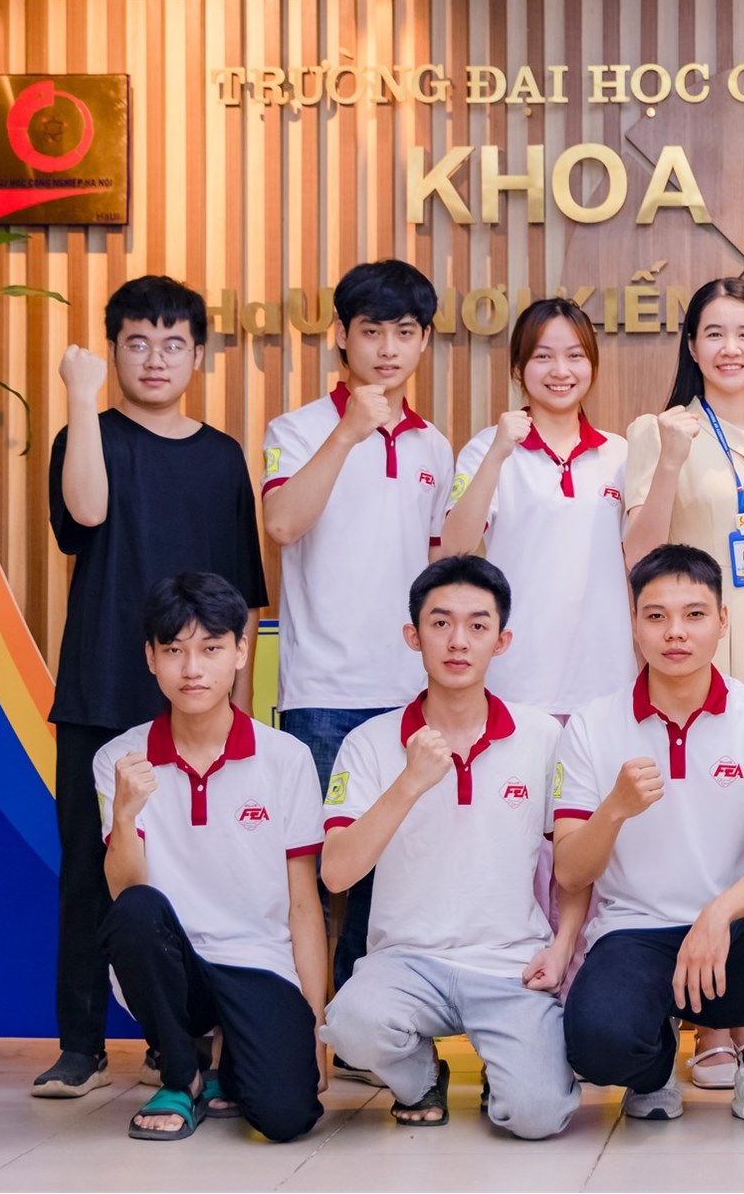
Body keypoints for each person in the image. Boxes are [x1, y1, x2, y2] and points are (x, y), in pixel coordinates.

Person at [34, 276, 269, 1099]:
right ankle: (81, 1043)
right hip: (101, 689)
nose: (156, 358)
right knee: (88, 868)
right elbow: (86, 516)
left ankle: (185, 1035)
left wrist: (242, 704)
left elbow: (242, 598)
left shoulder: (222, 456)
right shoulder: (87, 435)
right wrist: (79, 393)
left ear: (198, 354)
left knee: (198, 867)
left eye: (173, 343)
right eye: (137, 341)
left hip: (201, 701)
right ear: (113, 351)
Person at [553, 545, 744, 1133]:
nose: (675, 632)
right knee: (597, 1045)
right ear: (634, 624)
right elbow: (570, 870)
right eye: (656, 616)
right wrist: (614, 810)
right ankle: (653, 1066)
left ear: (722, 620)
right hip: (635, 934)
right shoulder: (592, 723)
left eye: (693, 614)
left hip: (735, 933)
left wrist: (718, 913)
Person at [620, 278, 744, 1085]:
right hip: (692, 636)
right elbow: (637, 553)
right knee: (704, 814)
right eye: (714, 332)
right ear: (691, 345)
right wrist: (671, 461)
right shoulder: (656, 430)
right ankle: (709, 1019)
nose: (730, 347)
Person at [261, 259, 453, 1077]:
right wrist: (348, 433)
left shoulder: (435, 446)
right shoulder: (297, 429)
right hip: (321, 691)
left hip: (408, 693)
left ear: (423, 341)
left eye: (404, 333)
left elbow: (439, 568)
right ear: (341, 334)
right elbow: (282, 523)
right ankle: (291, 1035)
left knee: (385, 880)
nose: (387, 348)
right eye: (371, 331)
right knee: (308, 875)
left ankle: (358, 1034)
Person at [316, 556, 583, 1138]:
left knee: (538, 1116)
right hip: (405, 962)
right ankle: (421, 1078)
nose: (458, 641)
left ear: (501, 641)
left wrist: (562, 946)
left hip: (511, 964)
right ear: (413, 636)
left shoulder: (543, 736)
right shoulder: (368, 742)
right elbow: (335, 874)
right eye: (440, 623)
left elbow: (574, 864)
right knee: (352, 1025)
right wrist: (410, 781)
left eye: (477, 625)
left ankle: (507, 1069)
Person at [93, 572, 326, 1143]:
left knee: (286, 1117)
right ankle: (182, 1075)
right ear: (151, 658)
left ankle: (232, 1065)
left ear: (241, 652)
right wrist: (124, 814)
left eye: (211, 649)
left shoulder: (287, 758)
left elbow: (303, 903)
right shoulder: (119, 758)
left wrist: (315, 1032)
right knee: (135, 911)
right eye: (174, 650)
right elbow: (126, 892)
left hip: (258, 963)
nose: (192, 669)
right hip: (176, 967)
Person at [439, 297, 634, 715]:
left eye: (575, 356)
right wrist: (498, 454)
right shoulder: (487, 448)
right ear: (519, 368)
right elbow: (454, 547)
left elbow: (641, 557)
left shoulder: (619, 453)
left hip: (605, 679)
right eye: (543, 357)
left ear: (592, 366)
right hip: (516, 680)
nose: (560, 371)